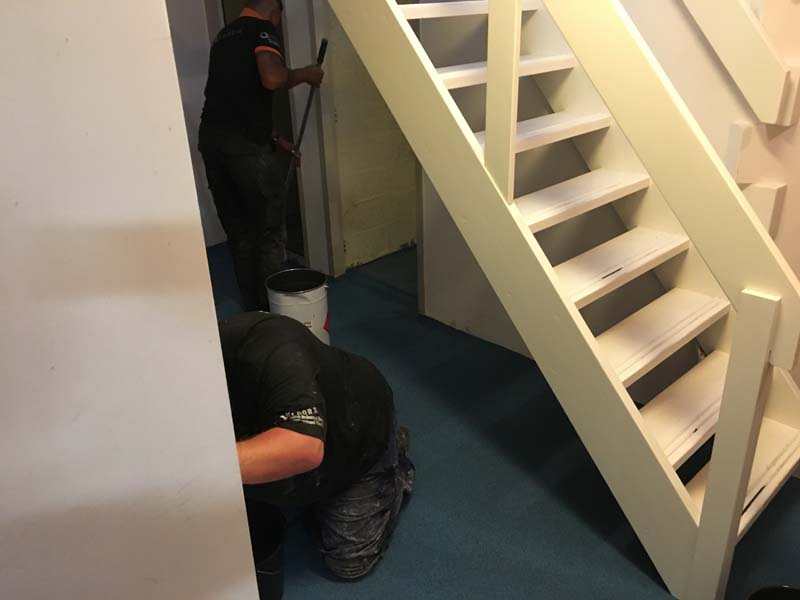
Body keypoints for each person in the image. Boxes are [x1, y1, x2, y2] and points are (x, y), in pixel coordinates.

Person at [219, 312, 415, 579]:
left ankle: (393, 460)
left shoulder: (271, 343)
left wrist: (201, 471)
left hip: (357, 432)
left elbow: (305, 448)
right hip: (289, 434)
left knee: (348, 564)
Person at [199, 0, 324, 310]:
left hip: (213, 143)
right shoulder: (262, 29)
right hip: (244, 149)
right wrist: (307, 74)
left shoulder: (223, 36)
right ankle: (274, 312)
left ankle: (253, 309)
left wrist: (276, 139)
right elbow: (272, 78)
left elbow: (236, 99)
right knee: (269, 231)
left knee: (240, 232)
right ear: (274, 10)